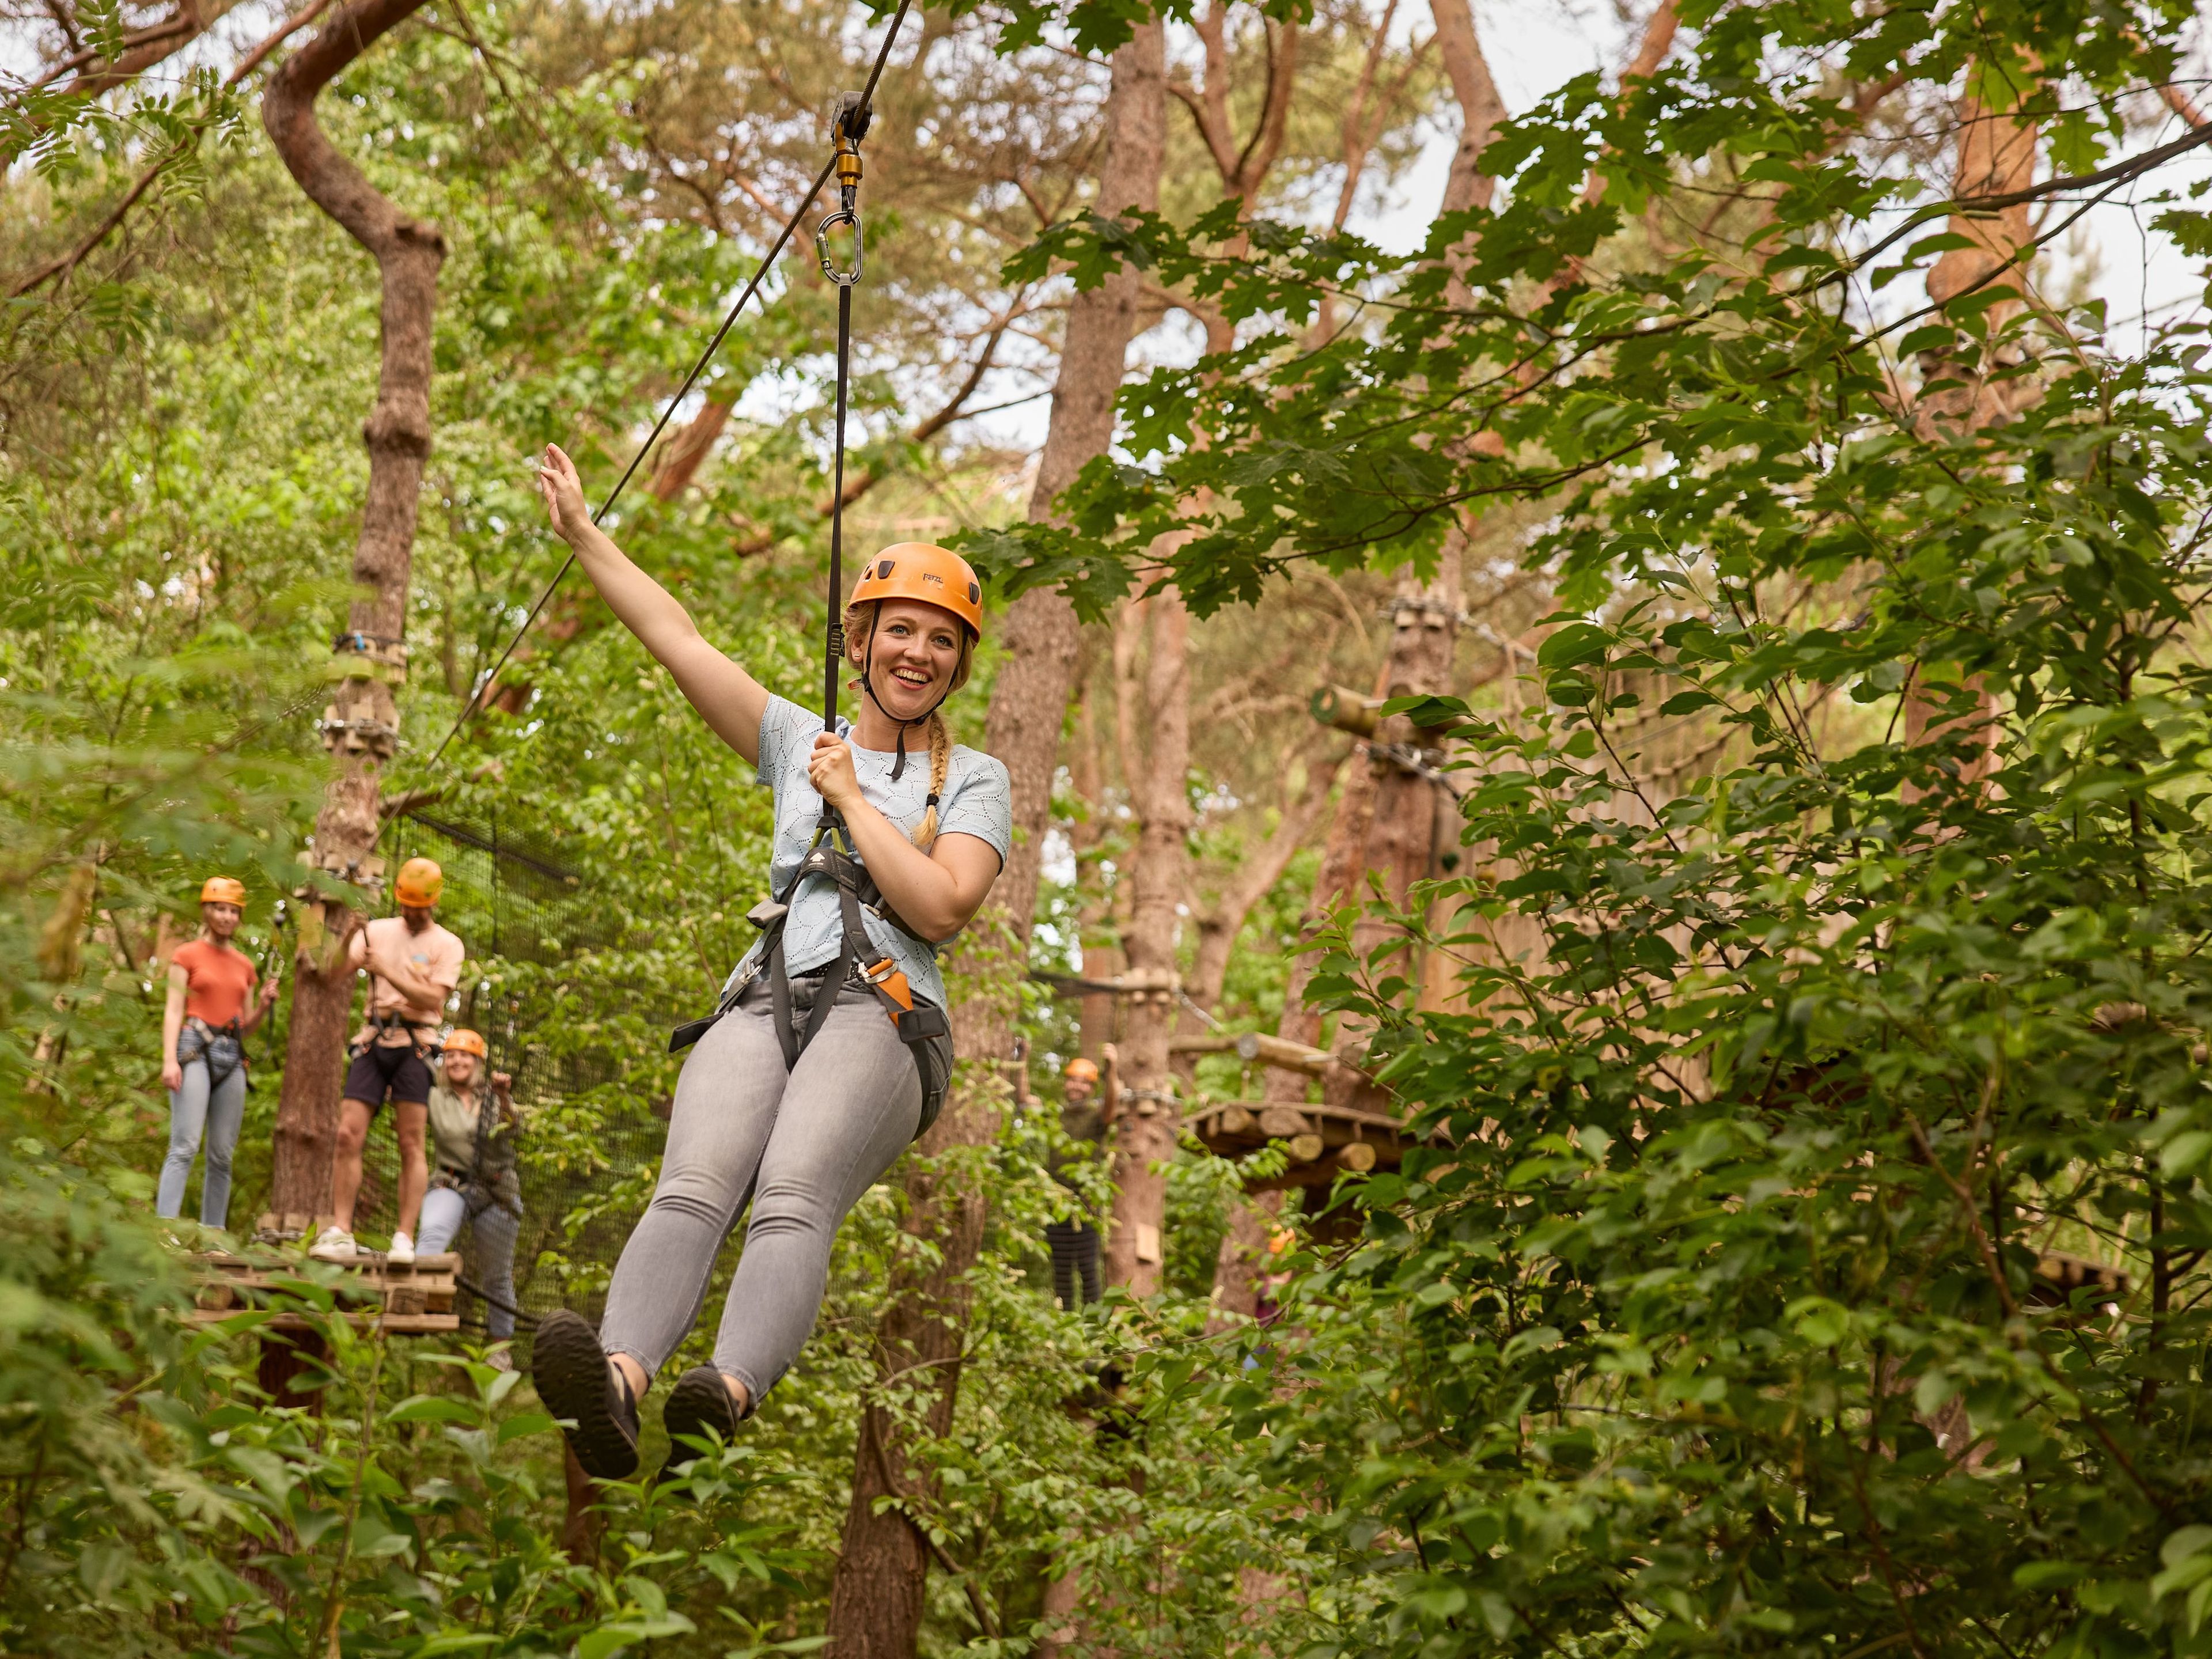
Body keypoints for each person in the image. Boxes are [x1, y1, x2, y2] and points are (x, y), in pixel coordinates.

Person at [528, 441, 1011, 1482]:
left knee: (793, 1192)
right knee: (692, 1187)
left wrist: (848, 801)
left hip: (883, 1014)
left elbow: (942, 903)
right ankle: (619, 1383)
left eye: (940, 640)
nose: (917, 653)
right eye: (900, 632)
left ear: (957, 664)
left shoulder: (972, 779)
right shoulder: (800, 737)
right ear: (863, 639)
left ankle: (728, 1390)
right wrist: (585, 535)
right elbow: (679, 640)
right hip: (765, 997)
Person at [310, 857, 464, 1266]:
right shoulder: (378, 932)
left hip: (416, 1043)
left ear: (433, 902)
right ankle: (341, 1228)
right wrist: (350, 936)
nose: (412, 913)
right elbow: (331, 974)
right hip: (373, 1040)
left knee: (411, 1141)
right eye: (406, 905)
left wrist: (386, 971)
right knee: (347, 1134)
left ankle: (403, 1236)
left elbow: (433, 999)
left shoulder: (447, 944)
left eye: (420, 906)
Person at [158, 877, 281, 1230]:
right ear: (207, 911)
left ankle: (214, 1235)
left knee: (222, 1156)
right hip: (193, 1047)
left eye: (233, 911)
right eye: (220, 909)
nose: (227, 917)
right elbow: (173, 1009)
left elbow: (246, 1026)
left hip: (233, 1055)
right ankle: (165, 1230)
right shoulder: (186, 954)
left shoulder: (244, 965)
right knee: (185, 1145)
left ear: (239, 917)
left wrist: (262, 1005)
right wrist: (169, 1060)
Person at [418, 1028, 524, 1366]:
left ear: (477, 1062)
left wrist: (505, 1097)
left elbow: (514, 1132)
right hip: (451, 1184)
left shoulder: (493, 1098)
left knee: (497, 1275)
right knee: (431, 1239)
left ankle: (500, 1348)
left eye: (465, 1055)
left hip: (496, 1192)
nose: (457, 1060)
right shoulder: (434, 1097)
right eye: (451, 1055)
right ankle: (420, 1305)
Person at [1046, 1051, 1117, 1309]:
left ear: (1092, 1088)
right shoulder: (1057, 1114)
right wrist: (1023, 1060)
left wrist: (1112, 1068)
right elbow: (1023, 1100)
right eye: (1073, 1080)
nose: (1077, 1085)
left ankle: (1094, 1329)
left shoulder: (1097, 1116)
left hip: (1086, 1203)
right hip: (1055, 1201)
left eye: (1084, 1082)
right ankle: (1067, 1327)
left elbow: (1112, 1107)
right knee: (1061, 1267)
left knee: (1088, 1267)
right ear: (1066, 1083)